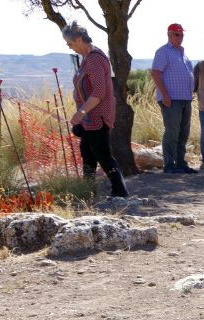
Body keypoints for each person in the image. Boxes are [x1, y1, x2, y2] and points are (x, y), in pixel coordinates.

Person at [63, 22, 127, 197]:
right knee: (88, 154)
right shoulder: (86, 58)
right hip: (88, 117)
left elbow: (99, 93)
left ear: (79, 39)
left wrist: (81, 112)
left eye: (70, 43)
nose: (69, 47)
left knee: (102, 154)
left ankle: (120, 191)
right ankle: (88, 191)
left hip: (97, 116)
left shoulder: (95, 59)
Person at [151, 23, 196, 174]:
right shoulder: (163, 51)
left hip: (185, 99)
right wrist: (165, 95)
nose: (180, 37)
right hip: (171, 99)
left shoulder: (182, 53)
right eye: (177, 34)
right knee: (172, 131)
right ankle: (169, 165)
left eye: (182, 34)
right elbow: (156, 73)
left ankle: (180, 163)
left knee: (183, 132)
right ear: (169, 35)